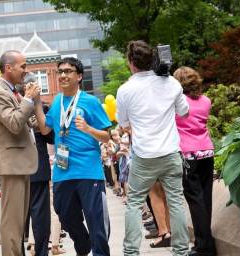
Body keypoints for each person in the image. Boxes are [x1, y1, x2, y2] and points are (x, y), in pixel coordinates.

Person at [116, 40, 190, 256]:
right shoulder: (171, 83)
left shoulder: (125, 90)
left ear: (131, 62)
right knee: (176, 201)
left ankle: (131, 252)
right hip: (170, 153)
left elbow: (124, 123)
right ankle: (181, 251)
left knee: (134, 203)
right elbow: (184, 112)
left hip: (144, 156)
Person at [34, 57, 112, 256]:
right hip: (62, 171)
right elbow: (45, 129)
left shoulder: (90, 101)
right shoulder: (58, 101)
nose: (62, 75)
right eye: (60, 72)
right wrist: (36, 103)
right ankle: (83, 243)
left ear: (79, 76)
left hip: (88, 170)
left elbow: (106, 136)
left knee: (96, 219)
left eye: (68, 71)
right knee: (65, 215)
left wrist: (87, 128)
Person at [0, 50, 41, 256]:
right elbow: (15, 124)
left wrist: (33, 102)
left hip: (20, 163)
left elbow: (28, 123)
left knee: (18, 223)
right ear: (8, 68)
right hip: (12, 164)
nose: (25, 72)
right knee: (12, 223)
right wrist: (27, 99)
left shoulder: (11, 91)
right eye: (22, 66)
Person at [174, 66, 216, 256]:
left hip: (188, 153)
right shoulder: (206, 100)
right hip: (207, 151)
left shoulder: (178, 103)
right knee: (205, 198)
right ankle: (207, 242)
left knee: (195, 200)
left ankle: (203, 246)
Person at [28, 103, 55, 256]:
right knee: (40, 216)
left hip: (19, 169)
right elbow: (51, 137)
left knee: (20, 218)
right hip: (37, 167)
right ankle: (41, 253)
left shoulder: (5, 101)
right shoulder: (39, 107)